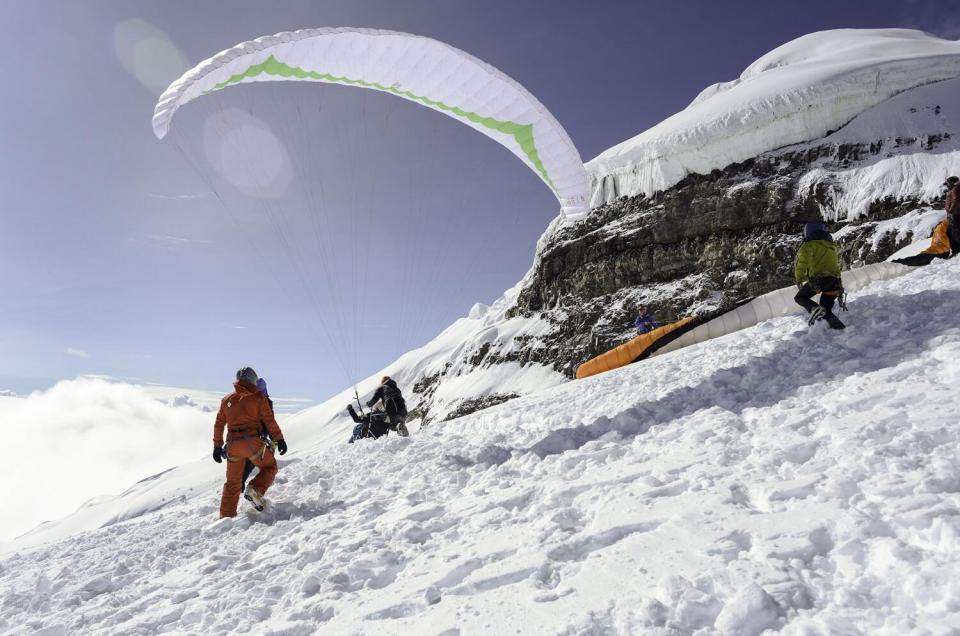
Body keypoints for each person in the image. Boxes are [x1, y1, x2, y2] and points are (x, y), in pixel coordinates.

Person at [212, 367, 288, 517]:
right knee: (270, 467)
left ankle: (226, 516)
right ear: (253, 380)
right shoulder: (259, 398)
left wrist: (217, 446)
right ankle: (255, 490)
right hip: (252, 443)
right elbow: (269, 421)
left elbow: (219, 424)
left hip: (233, 446)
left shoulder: (226, 400)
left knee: (232, 483)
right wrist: (280, 439)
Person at [893, 176, 960, 266]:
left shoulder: (956, 189)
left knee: (955, 231)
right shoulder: (953, 190)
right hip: (951, 218)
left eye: (948, 183)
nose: (947, 185)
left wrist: (951, 212)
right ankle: (957, 250)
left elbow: (955, 202)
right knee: (954, 232)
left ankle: (957, 250)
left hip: (953, 216)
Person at [794, 222, 845, 330]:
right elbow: (835, 266)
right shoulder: (831, 246)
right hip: (834, 281)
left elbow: (802, 263)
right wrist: (839, 285)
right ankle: (840, 330)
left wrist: (799, 278)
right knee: (826, 310)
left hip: (819, 280)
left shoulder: (808, 245)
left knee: (800, 297)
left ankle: (815, 309)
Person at [240, 377, 275, 493]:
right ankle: (255, 490)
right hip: (256, 441)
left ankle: (240, 483)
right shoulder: (265, 403)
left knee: (247, 464)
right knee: (270, 467)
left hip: (241, 440)